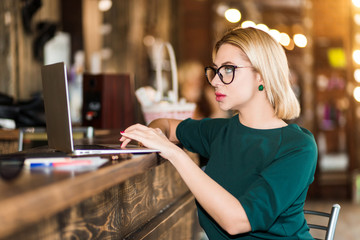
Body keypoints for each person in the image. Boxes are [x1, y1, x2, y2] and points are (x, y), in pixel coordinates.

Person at [120, 27, 318, 240]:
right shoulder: (220, 132)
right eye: (215, 70)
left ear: (261, 76)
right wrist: (154, 134)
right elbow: (166, 124)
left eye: (228, 70)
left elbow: (237, 221)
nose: (215, 81)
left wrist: (175, 154)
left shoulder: (298, 146)